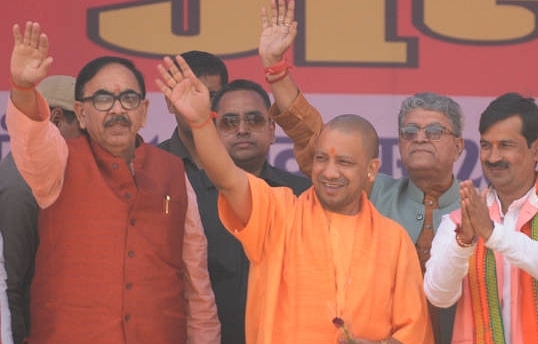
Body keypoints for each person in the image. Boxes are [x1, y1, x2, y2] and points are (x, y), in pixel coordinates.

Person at [156, 54, 434, 344]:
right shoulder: (279, 212)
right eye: (321, 159)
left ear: (371, 170)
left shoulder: (393, 240)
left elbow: (412, 331)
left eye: (345, 163)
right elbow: (227, 178)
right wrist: (201, 123)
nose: (329, 172)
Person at [257, 0, 463, 342]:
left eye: (435, 131)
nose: (421, 139)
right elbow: (313, 138)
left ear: (459, 146)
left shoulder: (481, 210)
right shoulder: (371, 192)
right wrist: (276, 71)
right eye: (410, 132)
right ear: (395, 147)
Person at [6, 21, 220, 343]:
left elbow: (196, 282)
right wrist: (23, 90)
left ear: (144, 112)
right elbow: (32, 142)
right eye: (103, 99)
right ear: (80, 112)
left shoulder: (173, 172)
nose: (118, 110)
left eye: (130, 99)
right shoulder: (58, 162)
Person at [159, 51, 311, 344]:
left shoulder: (301, 195)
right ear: (213, 129)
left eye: (254, 120)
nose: (242, 130)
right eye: (229, 122)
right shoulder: (188, 195)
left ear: (271, 129)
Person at [424, 92, 538, 343]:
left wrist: (493, 234)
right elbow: (439, 296)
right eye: (485, 145)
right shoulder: (459, 222)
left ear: (537, 149)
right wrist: (463, 244)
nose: (492, 157)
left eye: (505, 145)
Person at [0, 75, 80, 344]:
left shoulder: (53, 176)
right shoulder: (20, 186)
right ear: (56, 119)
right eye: (86, 132)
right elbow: (9, 288)